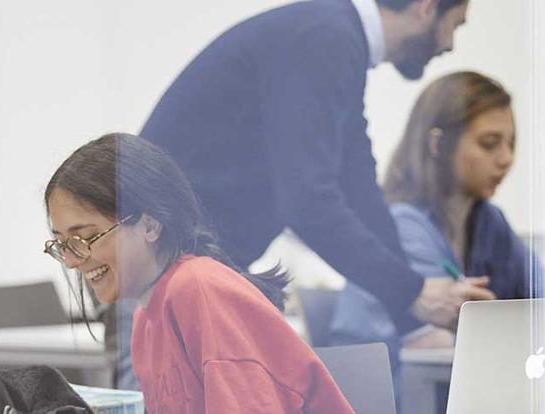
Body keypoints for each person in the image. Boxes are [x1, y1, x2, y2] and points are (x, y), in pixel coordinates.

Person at [140, 0, 494, 339]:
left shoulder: (336, 40)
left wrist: (413, 310)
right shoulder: (325, 38)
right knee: (156, 400)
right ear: (426, 7)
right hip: (156, 264)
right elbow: (308, 201)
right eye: (455, 25)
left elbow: (359, 190)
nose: (449, 45)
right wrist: (412, 293)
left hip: (178, 261)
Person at [43, 133, 360, 414]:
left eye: (87, 237)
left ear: (150, 226)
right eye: (62, 244)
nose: (71, 260)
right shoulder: (145, 320)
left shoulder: (200, 291)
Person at [331, 71, 545, 362]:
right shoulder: (401, 225)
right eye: (489, 143)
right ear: (438, 145)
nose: (506, 158)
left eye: (511, 144)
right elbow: (440, 344)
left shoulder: (488, 222)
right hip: (393, 398)